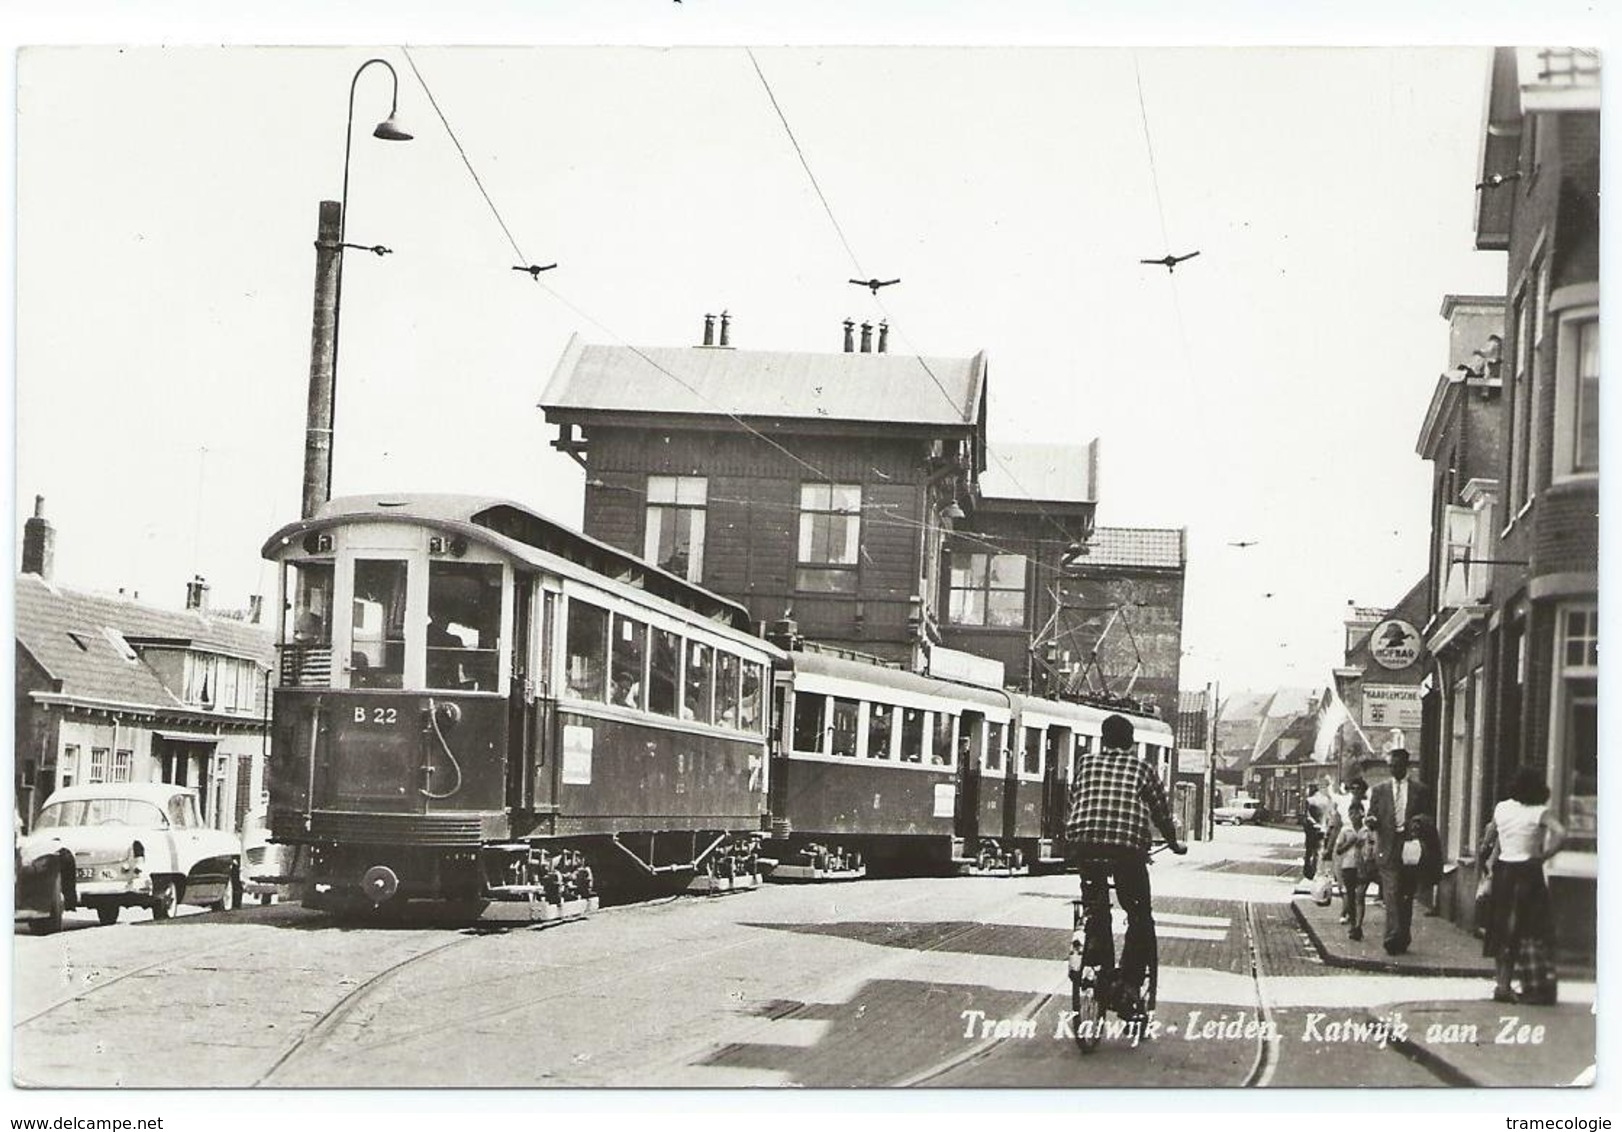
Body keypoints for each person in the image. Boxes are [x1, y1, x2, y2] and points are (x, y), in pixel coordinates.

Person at [1064, 713, 1188, 1021]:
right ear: (1131, 743)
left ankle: (1096, 949)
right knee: (1139, 914)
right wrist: (1173, 842)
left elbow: (1075, 800)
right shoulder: (1142, 768)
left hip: (1086, 846)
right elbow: (1160, 811)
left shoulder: (1086, 764)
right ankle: (1129, 986)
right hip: (1126, 851)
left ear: (1103, 740)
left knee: (1096, 904)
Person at [1480, 766, 1566, 1005]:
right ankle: (1536, 983)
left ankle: (1502, 985)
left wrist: (1487, 862)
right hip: (1528, 872)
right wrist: (1545, 854)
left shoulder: (1502, 807)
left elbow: (1488, 839)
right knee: (1531, 929)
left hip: (1503, 872)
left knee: (1502, 929)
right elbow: (1561, 833)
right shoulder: (1540, 812)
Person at [1366, 748, 1437, 955]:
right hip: (1388, 846)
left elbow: (1428, 817)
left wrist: (1418, 823)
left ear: (1405, 766)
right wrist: (1371, 821)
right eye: (1390, 766)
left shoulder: (1420, 790)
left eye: (1397, 766)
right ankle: (1392, 938)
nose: (1393, 770)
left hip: (1410, 847)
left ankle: (1403, 935)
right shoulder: (1380, 790)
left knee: (1406, 893)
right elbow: (1372, 815)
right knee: (1391, 891)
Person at [1333, 800, 1375, 941]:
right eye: (1351, 813)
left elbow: (1373, 847)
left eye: (1356, 812)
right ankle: (1353, 925)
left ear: (1362, 813)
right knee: (1351, 897)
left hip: (1363, 867)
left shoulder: (1367, 831)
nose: (1353, 815)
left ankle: (1358, 926)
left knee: (1360, 896)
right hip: (1348, 865)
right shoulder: (1346, 830)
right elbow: (1338, 850)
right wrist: (1349, 843)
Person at [1302, 780, 1333, 880]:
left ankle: (1308, 871)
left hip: (1311, 830)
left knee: (1309, 851)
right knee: (1319, 851)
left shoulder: (1309, 800)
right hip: (1323, 829)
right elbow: (1329, 816)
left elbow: (1307, 816)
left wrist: (1314, 824)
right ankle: (1317, 871)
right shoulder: (1326, 801)